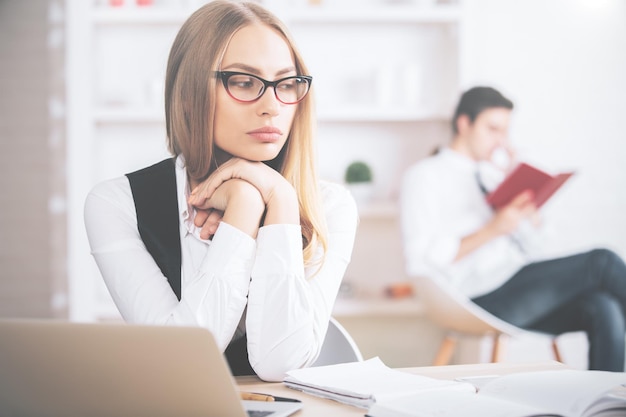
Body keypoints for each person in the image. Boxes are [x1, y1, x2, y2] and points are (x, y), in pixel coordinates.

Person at [84, 0, 358, 382]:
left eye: (286, 83)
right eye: (244, 82)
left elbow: (282, 362)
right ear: (187, 94)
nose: (272, 106)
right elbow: (179, 363)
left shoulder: (331, 205)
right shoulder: (116, 203)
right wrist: (244, 208)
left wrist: (279, 200)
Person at [400, 86, 626, 371]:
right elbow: (420, 259)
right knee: (600, 261)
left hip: (517, 285)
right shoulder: (425, 177)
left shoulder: (494, 175)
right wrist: (492, 230)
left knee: (604, 306)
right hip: (475, 296)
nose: (500, 141)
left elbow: (535, 249)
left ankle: (605, 408)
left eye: (504, 131)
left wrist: (529, 213)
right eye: (493, 129)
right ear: (464, 124)